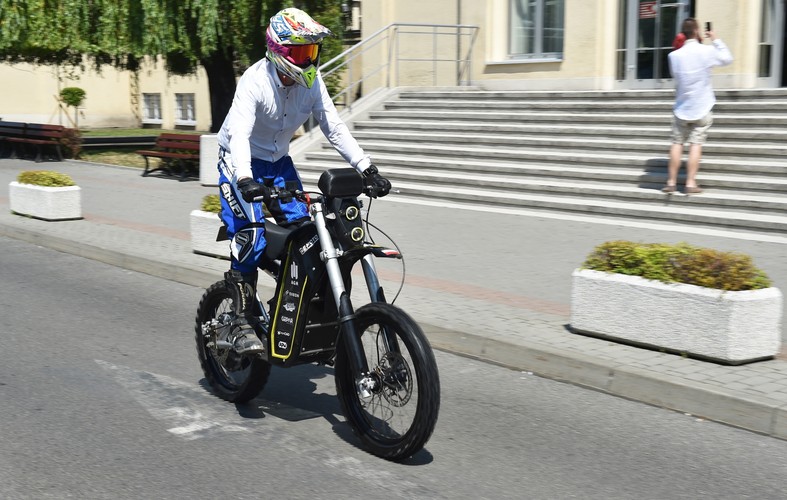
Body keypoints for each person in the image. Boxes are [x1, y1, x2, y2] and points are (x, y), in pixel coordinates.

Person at [215, 7, 391, 354]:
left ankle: (294, 308)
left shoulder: (311, 83)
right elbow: (238, 136)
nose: (308, 59)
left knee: (309, 238)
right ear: (278, 51)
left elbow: (334, 126)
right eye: (300, 52)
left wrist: (367, 168)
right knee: (252, 236)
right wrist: (246, 179)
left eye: (311, 52)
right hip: (240, 163)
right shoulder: (255, 80)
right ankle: (238, 319)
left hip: (279, 163)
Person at [662, 18, 733, 195]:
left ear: (682, 33)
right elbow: (727, 59)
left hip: (682, 107)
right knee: (696, 144)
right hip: (702, 106)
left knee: (677, 143)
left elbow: (676, 78)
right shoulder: (707, 51)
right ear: (697, 31)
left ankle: (671, 182)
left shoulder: (674, 56)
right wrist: (715, 39)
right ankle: (690, 183)